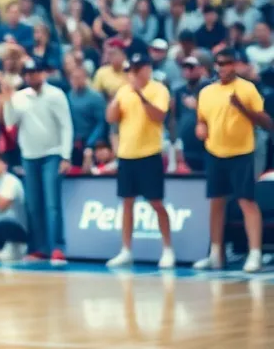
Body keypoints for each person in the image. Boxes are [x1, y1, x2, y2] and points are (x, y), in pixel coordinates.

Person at [193, 50, 270, 272]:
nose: (222, 67)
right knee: (216, 203)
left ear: (235, 65)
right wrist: (201, 128)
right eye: (219, 64)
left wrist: (241, 107)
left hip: (241, 153)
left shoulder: (247, 89)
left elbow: (265, 122)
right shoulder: (207, 92)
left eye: (226, 63)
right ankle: (216, 253)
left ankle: (254, 253)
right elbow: (202, 119)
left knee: (247, 202)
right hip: (215, 153)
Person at [105, 50, 176, 268]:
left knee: (156, 203)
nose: (133, 74)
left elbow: (159, 117)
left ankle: (167, 249)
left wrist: (140, 95)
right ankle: (126, 250)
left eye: (137, 70)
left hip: (149, 154)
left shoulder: (158, 90)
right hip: (127, 155)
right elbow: (110, 118)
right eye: (130, 71)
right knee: (127, 203)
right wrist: (117, 100)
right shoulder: (123, 91)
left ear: (147, 69)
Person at [1, 59, 73, 265]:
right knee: (33, 205)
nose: (32, 76)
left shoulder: (56, 95)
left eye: (36, 72)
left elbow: (66, 126)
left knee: (52, 204)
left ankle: (57, 248)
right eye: (28, 73)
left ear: (44, 74)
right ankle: (38, 248)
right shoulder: (20, 97)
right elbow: (9, 122)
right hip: (29, 156)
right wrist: (7, 101)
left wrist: (65, 156)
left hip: (52, 154)